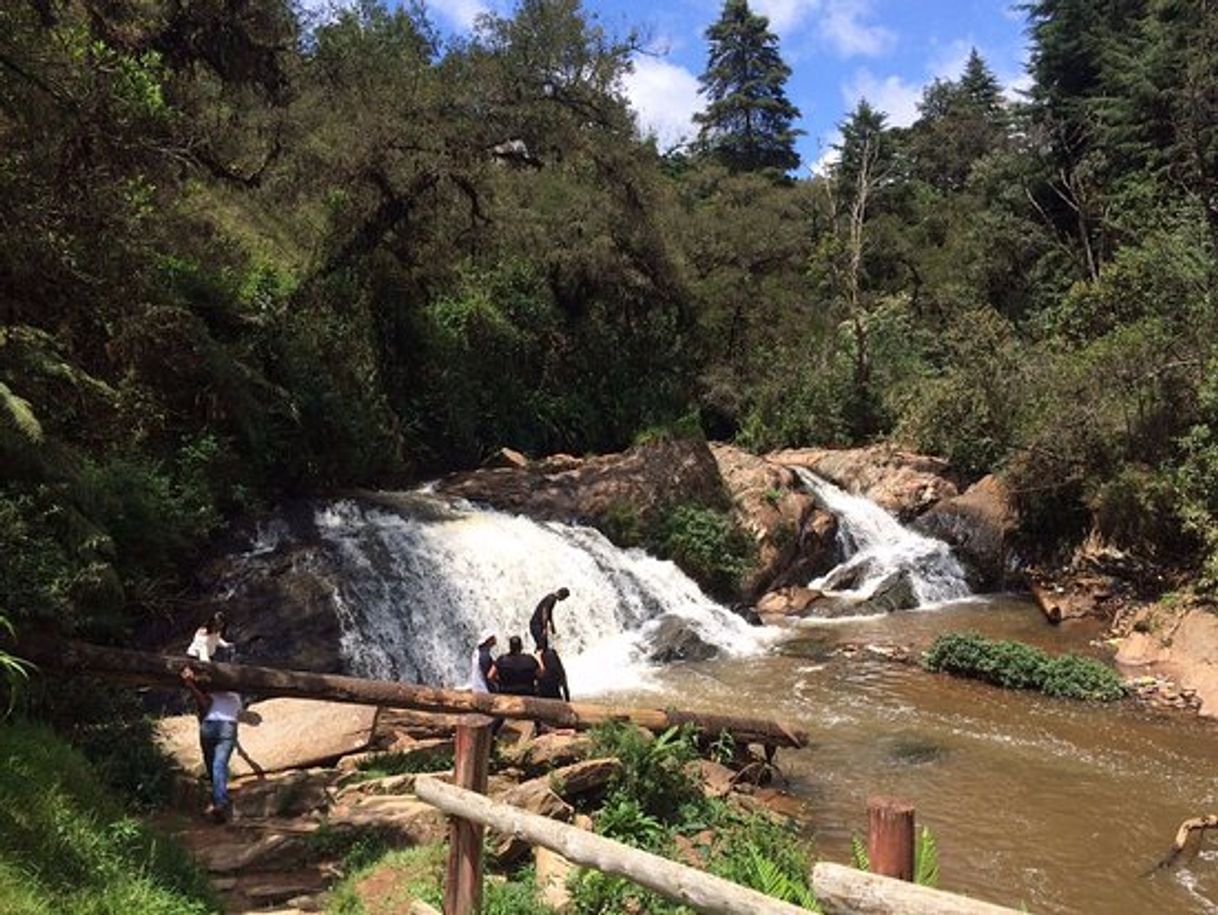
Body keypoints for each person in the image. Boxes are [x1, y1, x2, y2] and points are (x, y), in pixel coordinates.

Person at [180, 661, 242, 823]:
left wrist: (191, 684)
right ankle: (220, 800)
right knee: (218, 765)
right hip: (226, 727)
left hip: (210, 726)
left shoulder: (213, 693)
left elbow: (203, 703)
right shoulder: (236, 696)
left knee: (212, 764)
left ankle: (219, 801)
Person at [528, 587, 569, 652]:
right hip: (536, 624)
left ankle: (537, 660)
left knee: (543, 646)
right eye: (565, 598)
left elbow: (549, 614)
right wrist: (544, 627)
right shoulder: (551, 598)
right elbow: (545, 611)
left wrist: (552, 626)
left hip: (537, 624)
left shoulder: (552, 598)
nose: (563, 600)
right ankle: (534, 660)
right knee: (542, 646)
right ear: (563, 596)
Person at [470, 629, 497, 694]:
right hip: (483, 691)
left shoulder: (477, 651)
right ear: (488, 640)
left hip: (476, 688)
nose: (495, 639)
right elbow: (488, 677)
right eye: (493, 638)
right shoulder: (484, 655)